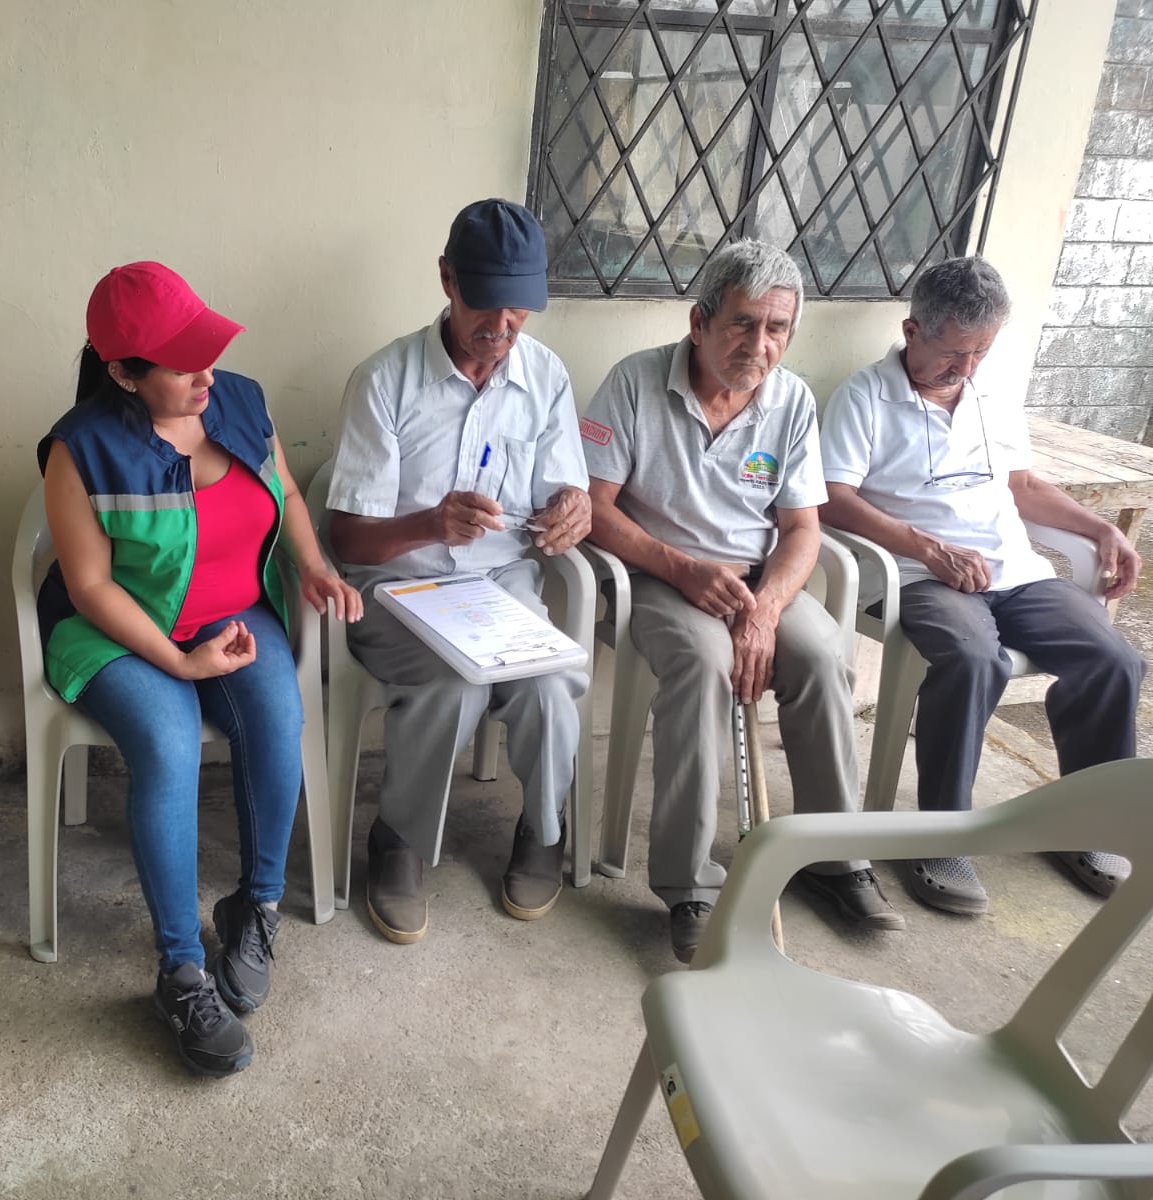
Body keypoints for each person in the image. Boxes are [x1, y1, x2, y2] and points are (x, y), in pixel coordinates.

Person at [37, 261, 361, 1076]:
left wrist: (314, 566)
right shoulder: (81, 448)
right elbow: (91, 586)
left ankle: (254, 906)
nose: (206, 378)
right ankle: (181, 971)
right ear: (124, 373)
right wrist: (180, 661)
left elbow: (286, 494)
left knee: (278, 719)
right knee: (169, 743)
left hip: (234, 615)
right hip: (122, 631)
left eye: (208, 354)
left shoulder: (242, 401)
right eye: (183, 368)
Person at [581, 240, 903, 964]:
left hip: (756, 580)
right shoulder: (634, 382)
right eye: (743, 324)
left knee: (822, 656)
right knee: (702, 663)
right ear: (700, 322)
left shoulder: (791, 402)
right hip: (658, 573)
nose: (760, 345)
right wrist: (682, 568)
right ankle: (690, 886)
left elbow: (803, 529)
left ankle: (833, 857)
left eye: (777, 328)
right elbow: (595, 507)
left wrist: (763, 610)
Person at [819, 255, 1145, 915]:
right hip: (918, 574)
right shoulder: (865, 397)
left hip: (1014, 573)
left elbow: (1022, 486)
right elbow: (832, 498)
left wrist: (1100, 528)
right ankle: (940, 834)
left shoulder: (992, 393)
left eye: (980, 353)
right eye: (953, 353)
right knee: (973, 659)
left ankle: (1084, 821)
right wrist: (926, 547)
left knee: (1115, 660)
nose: (966, 368)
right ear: (913, 331)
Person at [323, 198, 591, 945]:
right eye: (485, 304)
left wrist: (573, 512)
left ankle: (543, 828)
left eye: (519, 310)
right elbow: (346, 538)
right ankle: (399, 839)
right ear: (447, 280)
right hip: (397, 589)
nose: (501, 327)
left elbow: (565, 493)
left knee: (550, 681)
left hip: (501, 587)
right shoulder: (385, 380)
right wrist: (429, 524)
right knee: (452, 680)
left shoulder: (545, 377)